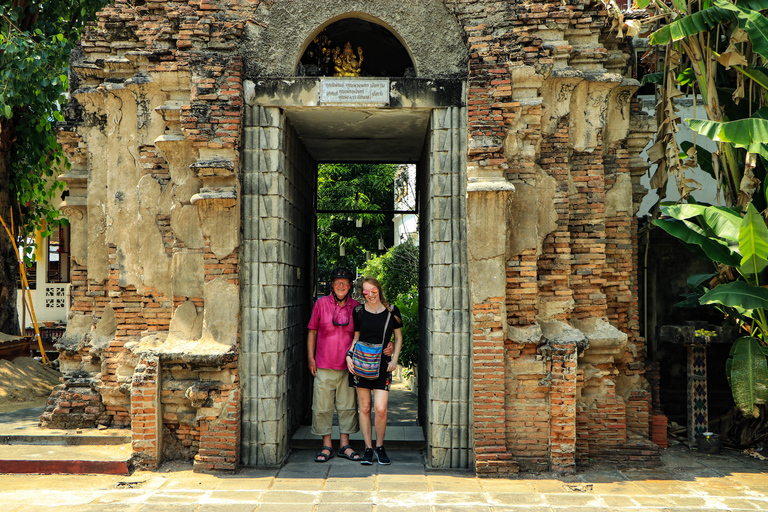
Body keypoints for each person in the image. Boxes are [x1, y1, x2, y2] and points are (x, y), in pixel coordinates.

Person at [307, 268, 393, 463]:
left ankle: (345, 444)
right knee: (322, 407)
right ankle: (327, 445)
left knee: (347, 407)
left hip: (351, 367)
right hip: (323, 363)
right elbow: (312, 331)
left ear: (350, 286)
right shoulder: (320, 304)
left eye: (345, 282)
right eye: (337, 282)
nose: (341, 285)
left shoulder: (358, 308)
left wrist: (390, 344)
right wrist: (310, 359)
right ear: (331, 284)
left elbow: (373, 331)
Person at [346, 277, 403, 465]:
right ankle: (368, 449)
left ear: (379, 290)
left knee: (380, 409)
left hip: (383, 364)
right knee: (364, 408)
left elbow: (398, 337)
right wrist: (349, 356)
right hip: (360, 363)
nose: (369, 294)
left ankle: (380, 447)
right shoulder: (358, 311)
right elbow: (356, 338)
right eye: (365, 291)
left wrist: (394, 359)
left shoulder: (392, 311)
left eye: (373, 290)